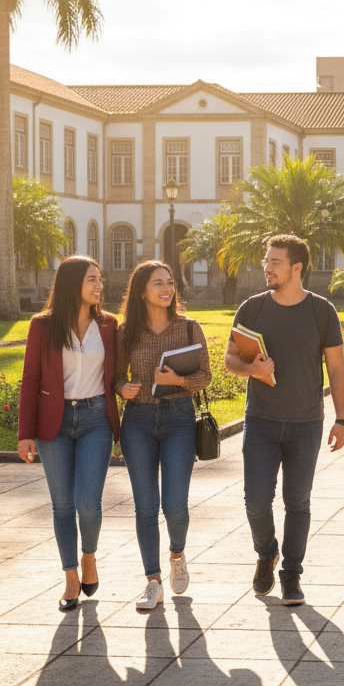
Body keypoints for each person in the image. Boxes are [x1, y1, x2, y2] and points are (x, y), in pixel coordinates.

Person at [225, 235, 344, 606]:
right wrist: (253, 370)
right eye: (266, 261)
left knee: (298, 502)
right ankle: (267, 553)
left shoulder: (322, 311)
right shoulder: (251, 308)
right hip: (260, 421)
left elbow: (337, 368)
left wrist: (342, 419)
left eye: (275, 262)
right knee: (255, 500)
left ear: (297, 267)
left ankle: (291, 574)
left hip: (305, 423)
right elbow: (230, 359)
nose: (267, 267)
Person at [18, 256, 120, 612]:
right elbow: (30, 378)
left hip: (96, 419)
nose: (99, 285)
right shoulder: (42, 325)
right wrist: (25, 432)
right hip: (54, 424)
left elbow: (117, 373)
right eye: (92, 279)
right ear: (72, 283)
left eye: (100, 279)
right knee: (62, 506)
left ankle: (89, 556)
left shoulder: (108, 325)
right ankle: (71, 576)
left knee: (88, 502)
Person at [116, 260, 212, 610]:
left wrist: (178, 381)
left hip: (178, 420)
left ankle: (177, 555)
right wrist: (121, 388)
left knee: (174, 505)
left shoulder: (188, 328)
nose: (167, 288)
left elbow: (206, 376)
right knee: (145, 507)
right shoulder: (126, 331)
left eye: (169, 282)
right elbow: (115, 376)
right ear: (142, 291)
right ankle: (153, 582)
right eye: (158, 283)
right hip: (138, 421)